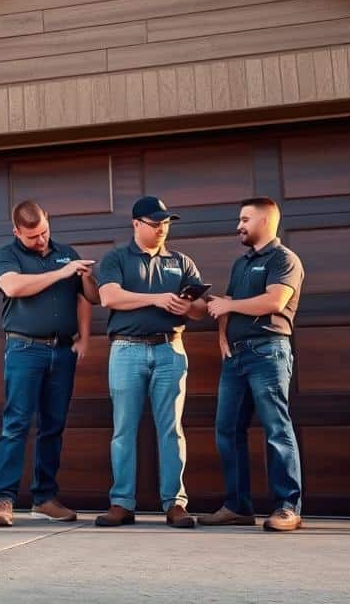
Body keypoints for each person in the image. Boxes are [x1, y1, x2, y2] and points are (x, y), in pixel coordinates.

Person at [94, 196, 208, 529]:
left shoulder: (182, 262)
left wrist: (189, 308)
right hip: (126, 351)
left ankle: (175, 503)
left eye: (165, 223)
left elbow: (201, 308)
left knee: (171, 430)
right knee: (124, 430)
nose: (161, 229)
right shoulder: (116, 258)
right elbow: (109, 296)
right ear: (136, 224)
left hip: (170, 350)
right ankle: (121, 503)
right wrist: (156, 298)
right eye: (154, 223)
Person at [0, 200, 99, 527]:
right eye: (32, 236)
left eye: (44, 232)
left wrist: (85, 336)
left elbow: (88, 297)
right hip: (25, 349)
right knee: (16, 424)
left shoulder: (67, 252)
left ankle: (45, 498)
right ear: (16, 231)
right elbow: (13, 286)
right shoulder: (6, 256)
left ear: (49, 221)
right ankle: (4, 500)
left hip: (62, 352)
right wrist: (61, 272)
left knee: (54, 426)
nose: (40, 240)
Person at [200, 197, 305, 532]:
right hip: (236, 356)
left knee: (277, 429)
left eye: (245, 219)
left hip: (268, 351)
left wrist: (231, 307)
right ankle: (237, 506)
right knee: (227, 430)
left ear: (265, 221)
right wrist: (221, 336)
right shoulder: (241, 264)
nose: (239, 225)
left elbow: (276, 300)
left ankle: (288, 507)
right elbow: (228, 305)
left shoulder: (283, 259)